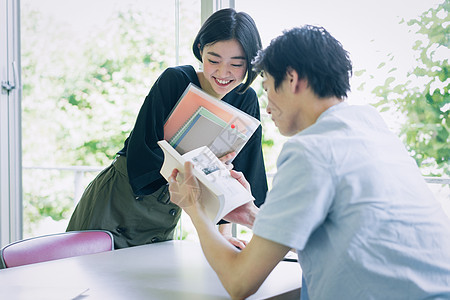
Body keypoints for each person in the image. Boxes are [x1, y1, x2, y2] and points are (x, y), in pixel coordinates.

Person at [168, 25, 450, 299]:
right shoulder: (370, 125)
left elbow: (239, 283)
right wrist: (253, 216)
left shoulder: (309, 150)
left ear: (292, 79)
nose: (266, 106)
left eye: (267, 88)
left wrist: (194, 208)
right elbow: (348, 234)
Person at [66, 8, 268, 249]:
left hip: (166, 210)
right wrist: (204, 166)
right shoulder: (175, 80)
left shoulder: (246, 100)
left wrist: (224, 233)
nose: (223, 73)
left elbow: (241, 174)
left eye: (236, 64)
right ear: (200, 49)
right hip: (120, 200)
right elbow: (143, 153)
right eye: (213, 60)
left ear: (250, 64)